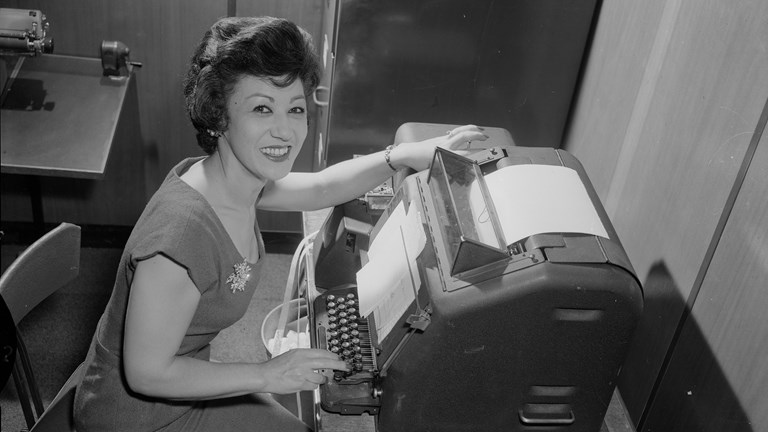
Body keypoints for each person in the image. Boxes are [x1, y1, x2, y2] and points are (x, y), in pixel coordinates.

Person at [73, 16, 487, 432]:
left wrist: (400, 155)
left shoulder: (234, 178)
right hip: (134, 414)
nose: (285, 130)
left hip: (183, 375)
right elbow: (147, 372)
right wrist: (267, 374)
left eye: (295, 109)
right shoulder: (180, 238)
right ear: (218, 115)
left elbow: (322, 187)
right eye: (261, 108)